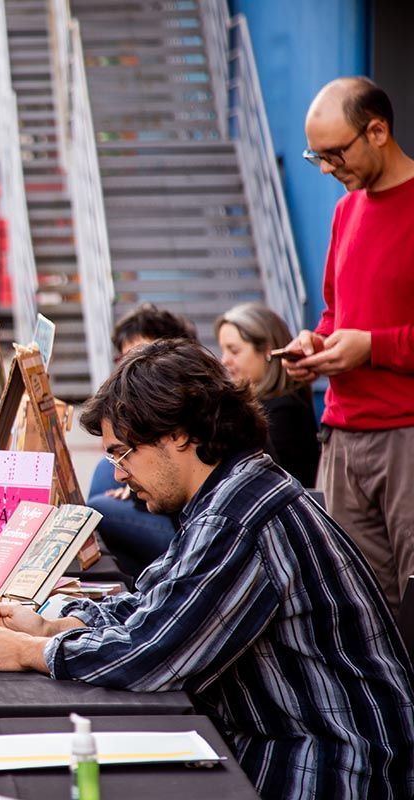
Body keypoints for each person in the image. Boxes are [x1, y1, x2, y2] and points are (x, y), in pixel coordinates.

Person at [0, 340, 414, 800]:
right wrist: (56, 624)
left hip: (332, 769)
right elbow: (158, 603)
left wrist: (31, 651)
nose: (117, 474)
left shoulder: (235, 517)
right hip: (298, 746)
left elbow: (153, 655)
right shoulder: (231, 489)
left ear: (176, 433)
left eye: (122, 453)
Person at [282, 77, 414, 615]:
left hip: (405, 435)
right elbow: (339, 313)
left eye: (336, 154)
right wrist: (313, 343)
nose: (328, 169)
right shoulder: (345, 210)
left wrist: (371, 348)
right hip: (340, 437)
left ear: (377, 131)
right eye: (318, 156)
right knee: (351, 606)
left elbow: (366, 335)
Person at [85, 303, 197, 580]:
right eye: (123, 358)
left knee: (96, 509)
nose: (129, 367)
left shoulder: (222, 523)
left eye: (140, 356)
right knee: (104, 474)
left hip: (179, 525)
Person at [215, 303, 320, 487]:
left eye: (234, 351)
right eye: (223, 350)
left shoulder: (283, 412)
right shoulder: (275, 404)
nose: (224, 360)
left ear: (267, 351)